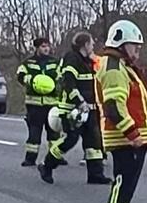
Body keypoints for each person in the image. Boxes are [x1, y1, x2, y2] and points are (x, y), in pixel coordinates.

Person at [95, 20, 147, 203]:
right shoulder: (114, 68)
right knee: (123, 185)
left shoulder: (121, 66)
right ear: (122, 44)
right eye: (135, 46)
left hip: (129, 138)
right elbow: (114, 106)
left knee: (128, 185)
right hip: (125, 138)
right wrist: (132, 133)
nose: (138, 51)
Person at [40, 31, 108, 185]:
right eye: (91, 43)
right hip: (72, 109)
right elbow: (69, 83)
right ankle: (47, 165)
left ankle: (96, 174)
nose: (93, 46)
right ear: (84, 45)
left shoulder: (88, 61)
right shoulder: (72, 58)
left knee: (94, 142)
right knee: (70, 140)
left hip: (89, 109)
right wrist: (80, 101)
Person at [15, 35, 53, 166]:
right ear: (37, 48)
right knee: (34, 133)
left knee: (54, 133)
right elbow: (20, 76)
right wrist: (31, 81)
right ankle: (30, 159)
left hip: (52, 104)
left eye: (47, 46)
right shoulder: (28, 63)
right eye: (43, 46)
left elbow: (61, 77)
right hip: (34, 105)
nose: (46, 49)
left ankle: (55, 157)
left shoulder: (54, 62)